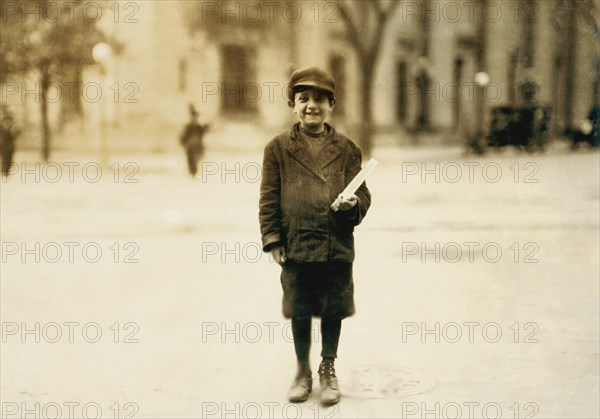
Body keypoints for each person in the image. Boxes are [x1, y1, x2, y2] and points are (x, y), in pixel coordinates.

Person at [259, 67, 371, 406]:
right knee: (300, 308)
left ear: (331, 105)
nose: (312, 105)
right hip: (297, 243)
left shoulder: (348, 150)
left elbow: (364, 196)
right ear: (293, 104)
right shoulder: (277, 148)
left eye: (321, 99)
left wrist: (354, 204)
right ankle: (302, 372)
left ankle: (328, 368)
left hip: (335, 243)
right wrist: (274, 239)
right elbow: (268, 196)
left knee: (333, 308)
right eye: (304, 98)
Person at [179, 104, 209, 176]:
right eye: (193, 117)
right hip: (190, 146)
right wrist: (183, 142)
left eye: (195, 117)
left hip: (197, 145)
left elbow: (203, 131)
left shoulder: (198, 126)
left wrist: (207, 127)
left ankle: (194, 172)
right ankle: (192, 172)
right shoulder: (189, 127)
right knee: (190, 160)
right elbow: (184, 136)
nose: (194, 119)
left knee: (196, 159)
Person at [0, 107, 20, 178]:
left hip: (10, 146)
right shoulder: (1, 127)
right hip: (2, 145)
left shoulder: (12, 127)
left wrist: (14, 132)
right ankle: (4, 170)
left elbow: (16, 135)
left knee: (9, 158)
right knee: (4, 157)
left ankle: (6, 171)